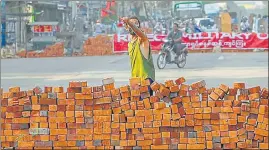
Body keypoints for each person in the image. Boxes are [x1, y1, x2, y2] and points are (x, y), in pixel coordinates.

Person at [122, 16, 155, 96]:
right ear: (126, 27)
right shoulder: (130, 44)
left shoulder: (143, 39)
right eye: (132, 23)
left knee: (146, 106)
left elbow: (140, 33)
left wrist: (129, 23)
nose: (135, 25)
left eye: (137, 24)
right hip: (135, 80)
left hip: (146, 79)